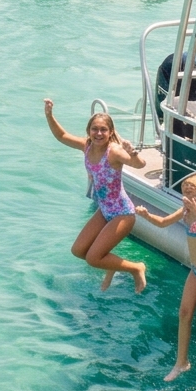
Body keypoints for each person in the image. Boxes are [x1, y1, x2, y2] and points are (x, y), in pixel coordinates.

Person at [44, 99, 147, 293]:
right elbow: (62, 136)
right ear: (89, 131)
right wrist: (49, 115)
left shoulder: (114, 152)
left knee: (93, 258)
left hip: (122, 213)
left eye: (103, 130)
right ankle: (111, 266)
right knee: (78, 251)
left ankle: (136, 267)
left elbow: (139, 165)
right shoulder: (87, 146)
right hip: (105, 210)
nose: (98, 133)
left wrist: (132, 153)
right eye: (94, 129)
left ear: (110, 133)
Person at [137, 174, 196, 389]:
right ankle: (182, 362)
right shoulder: (186, 212)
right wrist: (147, 215)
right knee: (184, 315)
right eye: (185, 192)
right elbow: (163, 223)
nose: (187, 197)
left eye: (192, 192)